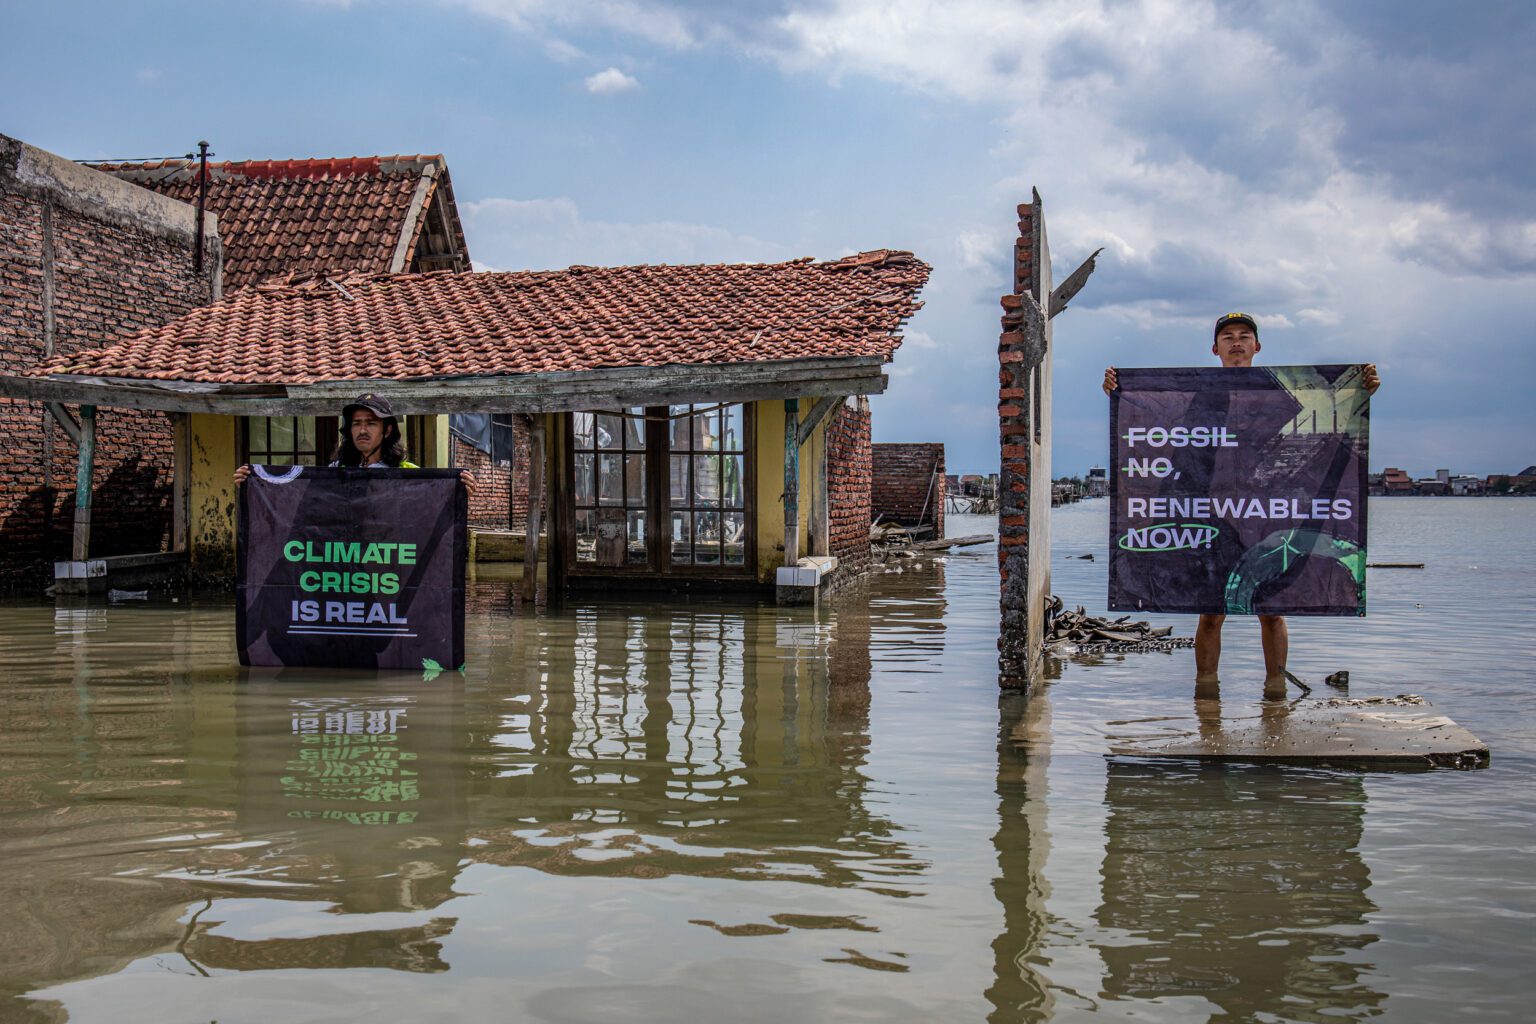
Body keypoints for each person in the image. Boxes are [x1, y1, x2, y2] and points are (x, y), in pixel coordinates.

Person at [1104, 312, 1379, 697]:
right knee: (1210, 610)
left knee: (1272, 608)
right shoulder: (1196, 391)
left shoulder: (1279, 396)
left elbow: (1327, 426)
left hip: (1265, 514)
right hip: (1211, 514)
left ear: (1256, 346)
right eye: (1228, 337)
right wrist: (1122, 391)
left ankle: (1275, 693)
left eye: (1244, 336)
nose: (1236, 342)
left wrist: (1361, 391)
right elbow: (1157, 427)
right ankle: (1206, 695)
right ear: (1215, 349)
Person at [234, 394, 476, 495]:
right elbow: (296, 499)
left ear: (387, 430)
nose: (362, 430)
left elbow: (432, 507)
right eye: (356, 423)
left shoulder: (408, 473)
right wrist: (255, 483)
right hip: (343, 568)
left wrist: (457, 489)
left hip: (388, 565)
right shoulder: (333, 472)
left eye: (371, 423)